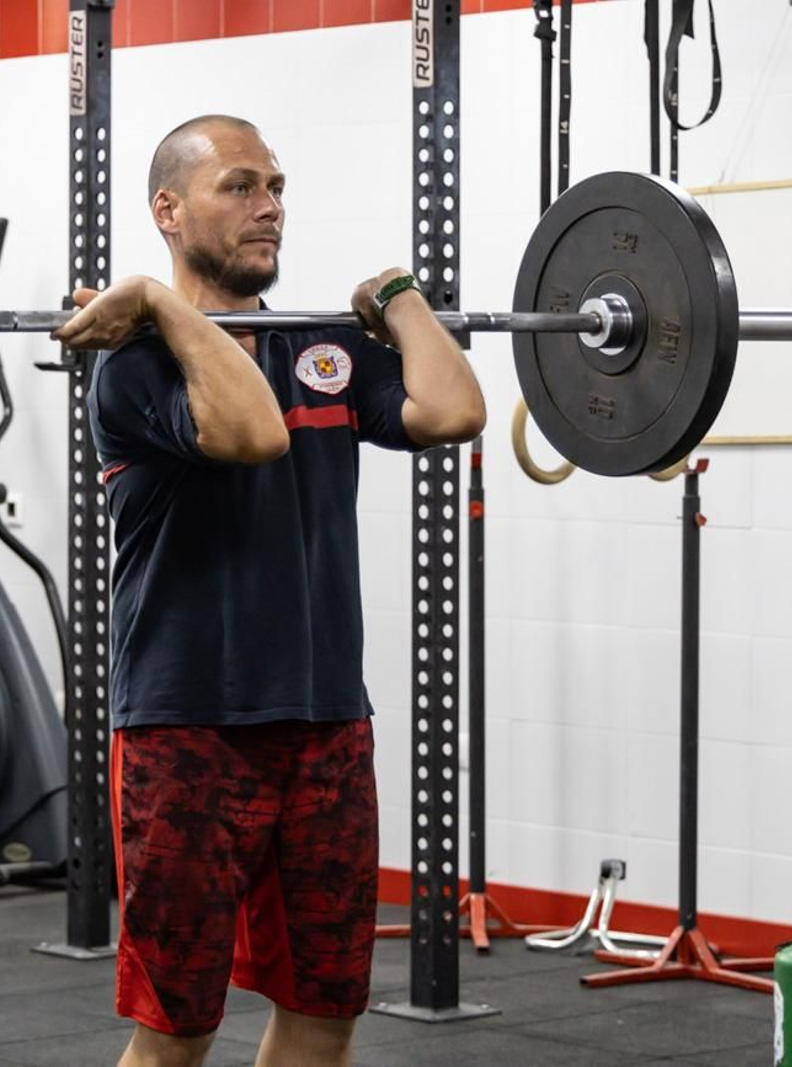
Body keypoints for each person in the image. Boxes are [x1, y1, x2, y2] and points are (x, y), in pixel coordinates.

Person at [52, 114, 486, 1067]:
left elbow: (454, 409)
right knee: (177, 1027)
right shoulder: (131, 362)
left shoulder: (318, 347)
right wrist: (161, 309)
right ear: (168, 211)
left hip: (326, 722)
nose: (270, 208)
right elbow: (253, 432)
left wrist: (402, 302)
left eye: (277, 187)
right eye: (241, 187)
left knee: (325, 1010)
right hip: (187, 729)